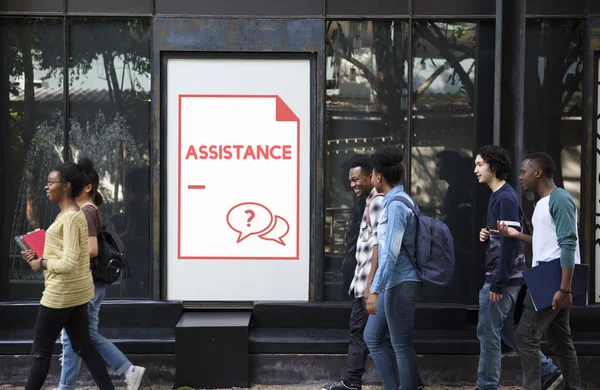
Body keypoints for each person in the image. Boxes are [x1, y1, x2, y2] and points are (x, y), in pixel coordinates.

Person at [21, 162, 115, 390]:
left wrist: (41, 263)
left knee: (40, 354)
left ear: (66, 186)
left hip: (60, 295)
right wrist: (40, 253)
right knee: (85, 347)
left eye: (51, 182)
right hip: (75, 294)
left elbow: (71, 262)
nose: (46, 187)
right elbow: (69, 253)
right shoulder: (69, 214)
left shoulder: (72, 217)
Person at [475, 146, 561, 390]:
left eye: (480, 164)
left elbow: (511, 244)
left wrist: (498, 282)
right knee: (504, 332)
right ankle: (549, 372)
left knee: (487, 335)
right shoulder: (500, 195)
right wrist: (488, 233)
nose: (475, 169)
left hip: (502, 279)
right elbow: (505, 236)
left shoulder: (504, 197)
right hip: (505, 278)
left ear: (493, 167)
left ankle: (486, 386)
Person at [57, 158, 146, 390]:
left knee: (71, 338)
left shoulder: (86, 212)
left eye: (73, 184)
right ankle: (129, 370)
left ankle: (65, 387)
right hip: (94, 283)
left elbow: (93, 249)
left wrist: (62, 255)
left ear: (86, 187)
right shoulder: (91, 209)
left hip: (86, 283)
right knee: (88, 335)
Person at [497, 152, 581, 390]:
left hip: (552, 277)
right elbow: (547, 241)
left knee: (525, 336)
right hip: (549, 275)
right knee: (561, 340)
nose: (520, 177)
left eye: (524, 171)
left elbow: (568, 243)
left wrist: (564, 289)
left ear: (538, 172)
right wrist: (516, 235)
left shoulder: (560, 199)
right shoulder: (543, 202)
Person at [364, 146, 423, 390]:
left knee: (401, 344)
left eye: (372, 174)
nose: (371, 179)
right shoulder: (398, 201)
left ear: (379, 177)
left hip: (400, 282)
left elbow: (389, 254)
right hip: (395, 281)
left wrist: (374, 289)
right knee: (372, 336)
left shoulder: (396, 206)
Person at [322, 156, 383, 390]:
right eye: (350, 181)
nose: (353, 185)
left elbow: (379, 246)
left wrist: (370, 287)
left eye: (356, 179)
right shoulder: (365, 203)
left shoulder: (376, 203)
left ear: (372, 176)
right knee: (377, 335)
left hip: (369, 284)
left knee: (363, 332)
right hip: (363, 282)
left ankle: (352, 381)